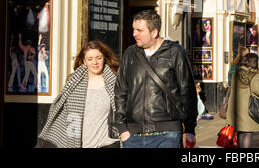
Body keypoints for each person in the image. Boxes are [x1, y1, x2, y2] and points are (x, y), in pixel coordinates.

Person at [115, 10, 198, 148]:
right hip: (133, 136)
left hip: (167, 135)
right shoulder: (130, 53)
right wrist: (122, 128)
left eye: (139, 30)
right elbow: (120, 91)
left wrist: (189, 129)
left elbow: (187, 91)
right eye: (134, 29)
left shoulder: (175, 52)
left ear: (154, 32)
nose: (134, 34)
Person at [37, 41, 120, 148]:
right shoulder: (74, 82)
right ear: (84, 61)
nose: (95, 62)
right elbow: (64, 114)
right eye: (90, 59)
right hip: (76, 142)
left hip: (106, 143)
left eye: (98, 58)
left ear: (104, 58)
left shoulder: (114, 83)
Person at [226, 53, 259, 148]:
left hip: (236, 107)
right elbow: (257, 89)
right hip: (248, 108)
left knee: (240, 132)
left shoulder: (237, 72)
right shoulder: (255, 74)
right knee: (248, 133)